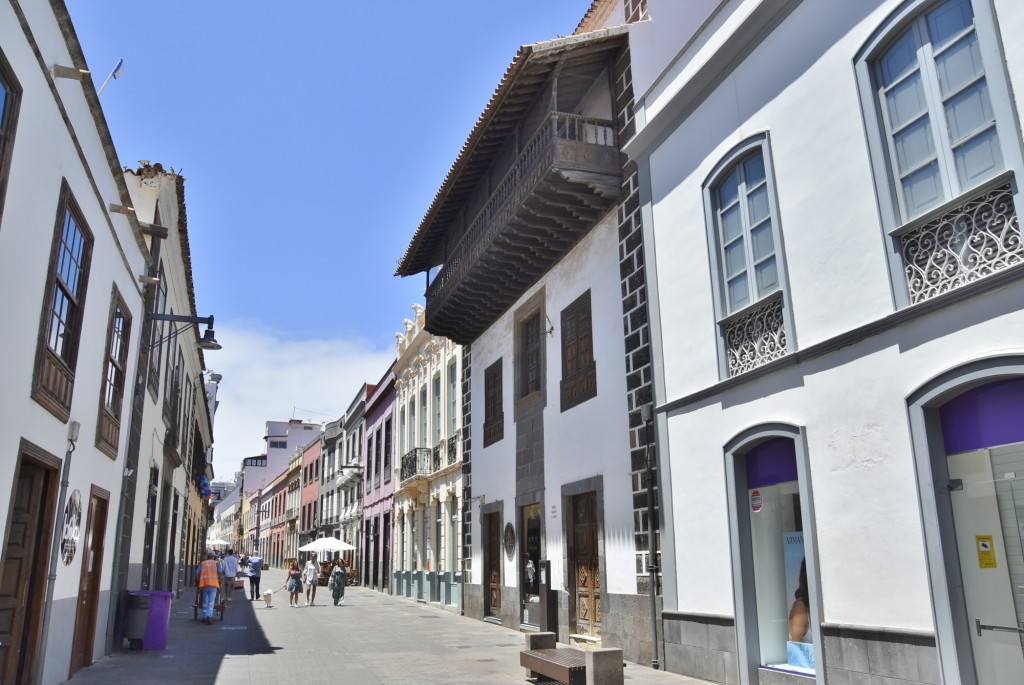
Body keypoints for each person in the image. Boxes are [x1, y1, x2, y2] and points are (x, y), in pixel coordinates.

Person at [195, 551, 223, 625]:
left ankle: (204, 616)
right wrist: (220, 581)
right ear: (214, 556)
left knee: (205, 601)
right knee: (211, 601)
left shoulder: (203, 563)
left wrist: (199, 581)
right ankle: (209, 616)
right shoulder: (217, 563)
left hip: (204, 584)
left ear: (208, 556)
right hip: (214, 584)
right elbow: (220, 574)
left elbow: (196, 573)